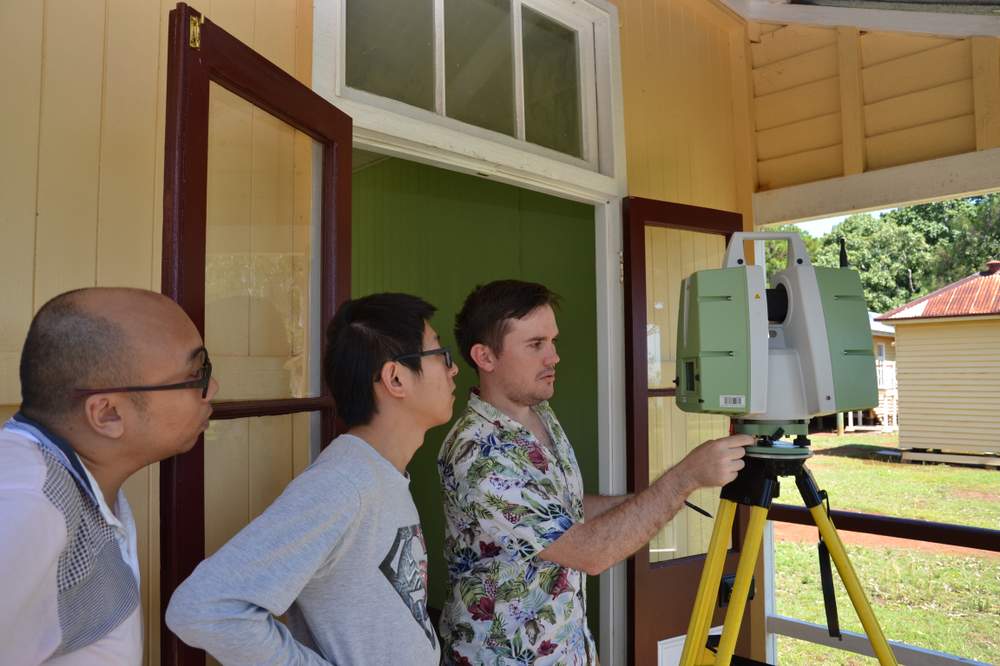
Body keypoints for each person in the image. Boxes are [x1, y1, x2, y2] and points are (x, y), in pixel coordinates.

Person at [438, 280, 751, 665]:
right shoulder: (480, 452)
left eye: (552, 342)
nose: (553, 357)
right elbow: (589, 552)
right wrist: (683, 480)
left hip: (568, 649)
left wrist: (640, 504)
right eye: (536, 345)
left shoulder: (539, 414)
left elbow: (562, 513)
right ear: (485, 357)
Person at [166, 292, 458, 665]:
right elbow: (204, 608)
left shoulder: (379, 472)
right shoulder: (342, 484)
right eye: (440, 355)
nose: (453, 370)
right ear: (396, 377)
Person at [0, 287, 217, 665]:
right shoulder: (28, 505)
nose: (211, 388)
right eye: (196, 374)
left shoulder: (75, 478)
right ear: (107, 414)